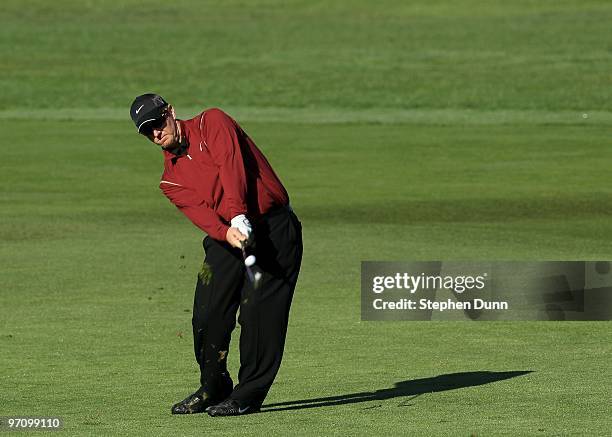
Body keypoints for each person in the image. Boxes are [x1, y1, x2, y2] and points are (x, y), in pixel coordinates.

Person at [129, 94, 303, 416]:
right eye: (146, 131)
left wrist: (238, 214)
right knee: (207, 314)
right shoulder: (170, 180)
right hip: (227, 239)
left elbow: (230, 166)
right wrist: (228, 232)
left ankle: (247, 395)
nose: (155, 133)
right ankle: (213, 385)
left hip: (274, 230)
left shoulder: (212, 122)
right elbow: (204, 217)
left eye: (156, 123)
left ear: (171, 112)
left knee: (258, 317)